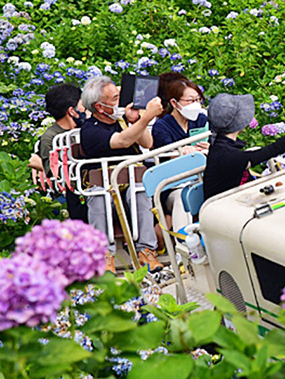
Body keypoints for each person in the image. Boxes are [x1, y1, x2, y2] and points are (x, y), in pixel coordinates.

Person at [80, 75, 164, 274]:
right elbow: (122, 141)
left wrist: (134, 120)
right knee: (99, 199)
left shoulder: (123, 121)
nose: (120, 102)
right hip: (103, 184)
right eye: (115, 99)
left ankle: (146, 251)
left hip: (132, 180)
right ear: (99, 107)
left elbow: (147, 142)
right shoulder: (89, 130)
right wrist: (146, 118)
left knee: (141, 192)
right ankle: (104, 256)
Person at [152, 73, 209, 231]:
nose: (195, 104)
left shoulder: (201, 120)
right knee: (182, 198)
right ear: (175, 103)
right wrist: (181, 151)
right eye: (190, 101)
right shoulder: (162, 126)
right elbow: (168, 153)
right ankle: (183, 247)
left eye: (198, 100)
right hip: (173, 186)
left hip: (202, 179)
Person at [33, 83, 89, 222]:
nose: (86, 109)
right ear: (72, 111)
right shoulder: (51, 137)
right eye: (83, 105)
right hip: (70, 194)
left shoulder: (87, 127)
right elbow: (54, 175)